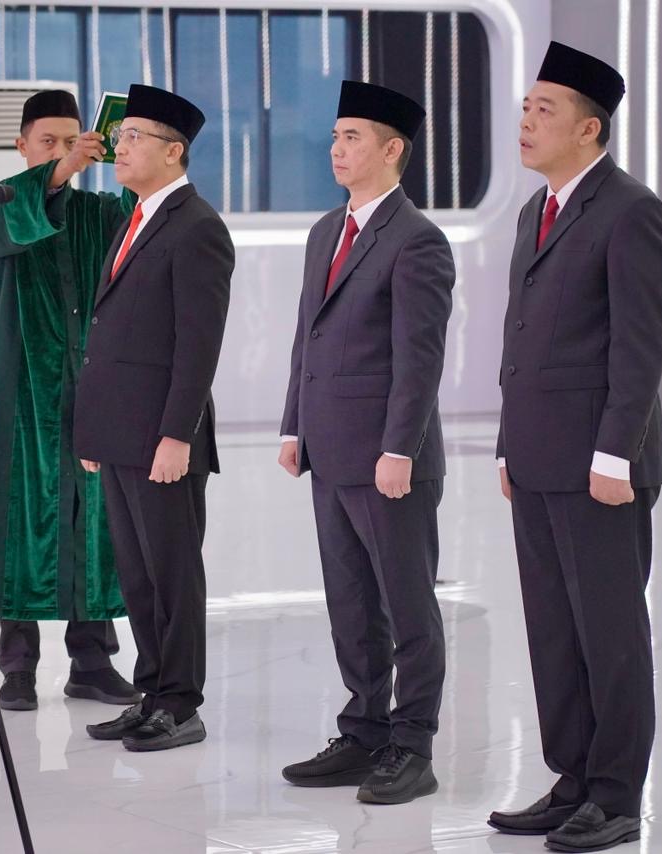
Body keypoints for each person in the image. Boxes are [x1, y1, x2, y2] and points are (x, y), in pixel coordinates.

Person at [487, 42, 662, 853]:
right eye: (525, 108)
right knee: (554, 631)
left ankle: (616, 794)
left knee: (610, 634)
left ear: (589, 128)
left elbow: (640, 346)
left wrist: (615, 455)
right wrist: (506, 444)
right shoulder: (537, 210)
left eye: (545, 110)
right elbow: (523, 338)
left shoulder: (631, 211)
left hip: (601, 463)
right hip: (536, 456)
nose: (526, 121)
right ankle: (572, 779)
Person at [277, 80, 454, 805]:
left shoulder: (417, 239)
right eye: (335, 136)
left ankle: (412, 745)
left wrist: (400, 449)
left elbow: (420, 358)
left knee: (406, 606)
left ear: (392, 149)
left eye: (352, 137)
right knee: (350, 602)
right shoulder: (327, 230)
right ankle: (364, 731)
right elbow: (308, 336)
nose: (337, 149)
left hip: (388, 459)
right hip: (329, 449)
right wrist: (293, 424)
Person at [0, 89, 139, 711]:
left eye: (72, 140)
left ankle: (92, 662)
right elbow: (10, 226)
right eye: (49, 142)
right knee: (21, 522)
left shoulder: (100, 213)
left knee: (94, 518)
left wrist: (134, 155)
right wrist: (61, 171)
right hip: (23, 397)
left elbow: (144, 223)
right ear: (22, 146)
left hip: (92, 390)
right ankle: (17, 667)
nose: (63, 151)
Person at [74, 84, 234, 752]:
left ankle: (181, 704)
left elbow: (198, 346)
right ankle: (151, 693)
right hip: (118, 433)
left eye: (135, 136)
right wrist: (93, 430)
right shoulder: (135, 219)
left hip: (163, 436)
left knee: (172, 573)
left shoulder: (197, 228)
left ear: (174, 152)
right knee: (137, 575)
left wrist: (177, 435)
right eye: (122, 136)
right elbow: (112, 332)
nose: (121, 146)